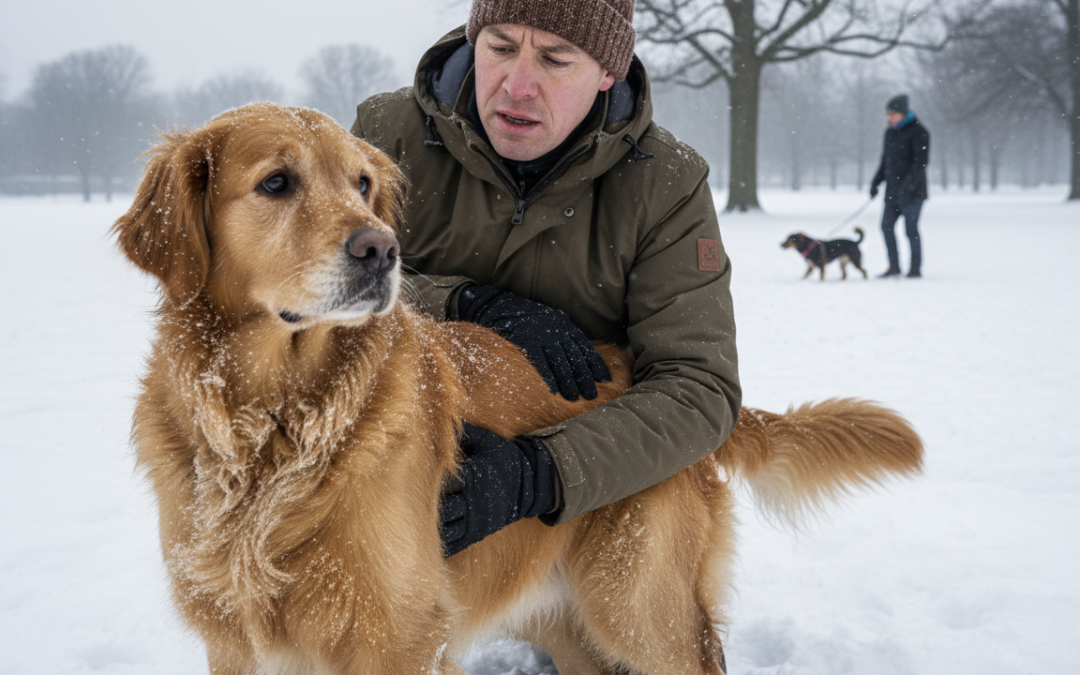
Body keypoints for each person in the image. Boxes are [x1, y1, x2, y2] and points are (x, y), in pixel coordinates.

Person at [351, 0, 740, 558]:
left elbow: (699, 388)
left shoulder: (667, 185)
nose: (518, 86)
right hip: (405, 444)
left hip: (592, 462)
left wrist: (542, 473)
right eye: (501, 47)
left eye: (556, 59)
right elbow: (324, 289)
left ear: (609, 72)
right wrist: (462, 301)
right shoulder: (387, 136)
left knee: (626, 643)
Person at [870, 94, 930, 278]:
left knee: (910, 230)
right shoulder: (890, 133)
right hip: (892, 192)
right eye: (888, 114)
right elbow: (885, 161)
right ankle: (894, 265)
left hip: (913, 193)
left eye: (893, 114)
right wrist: (876, 181)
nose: (890, 117)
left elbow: (920, 164)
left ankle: (915, 268)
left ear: (903, 113)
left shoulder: (920, 133)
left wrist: (907, 187)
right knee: (886, 226)